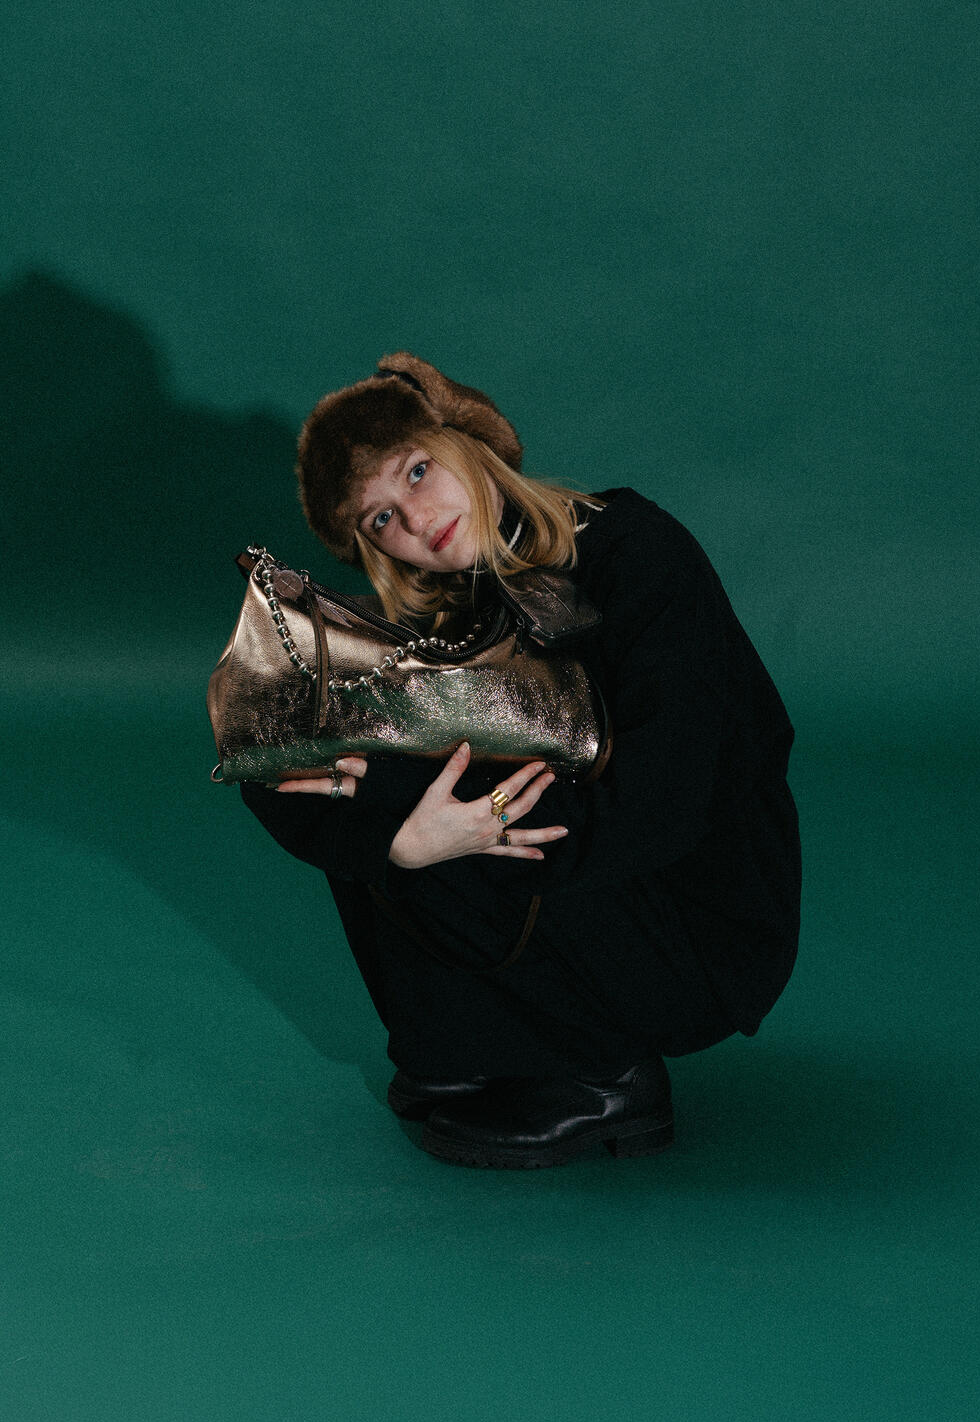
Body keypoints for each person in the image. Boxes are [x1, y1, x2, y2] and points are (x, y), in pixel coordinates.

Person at [239, 352, 801, 1169]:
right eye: (381, 519)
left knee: (408, 784)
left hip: (704, 923)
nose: (416, 519)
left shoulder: (631, 548)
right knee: (343, 751)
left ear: (468, 441)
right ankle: (464, 1048)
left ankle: (604, 1076)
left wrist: (475, 833)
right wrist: (404, 843)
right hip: (601, 883)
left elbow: (672, 799)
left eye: (419, 472)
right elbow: (273, 762)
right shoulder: (453, 607)